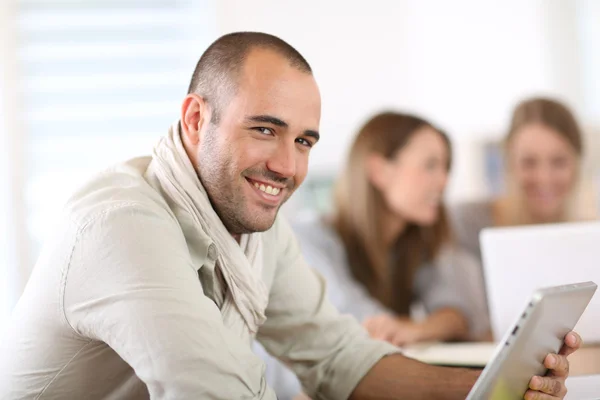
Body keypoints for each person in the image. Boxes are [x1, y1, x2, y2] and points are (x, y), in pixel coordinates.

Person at [0, 32, 578, 400]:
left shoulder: (251, 229)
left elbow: (341, 359)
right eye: (264, 129)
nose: (286, 164)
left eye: (304, 141)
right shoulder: (122, 224)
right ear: (197, 119)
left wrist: (501, 387)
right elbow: (213, 390)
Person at [260, 111, 491, 399]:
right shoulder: (309, 240)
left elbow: (463, 312)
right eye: (430, 165)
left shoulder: (415, 239)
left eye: (445, 167)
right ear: (379, 171)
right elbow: (362, 330)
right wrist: (416, 329)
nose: (443, 181)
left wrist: (417, 329)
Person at [451, 97, 598, 261]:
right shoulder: (468, 225)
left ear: (577, 166)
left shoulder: (591, 238)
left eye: (559, 162)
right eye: (529, 162)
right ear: (509, 163)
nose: (544, 178)